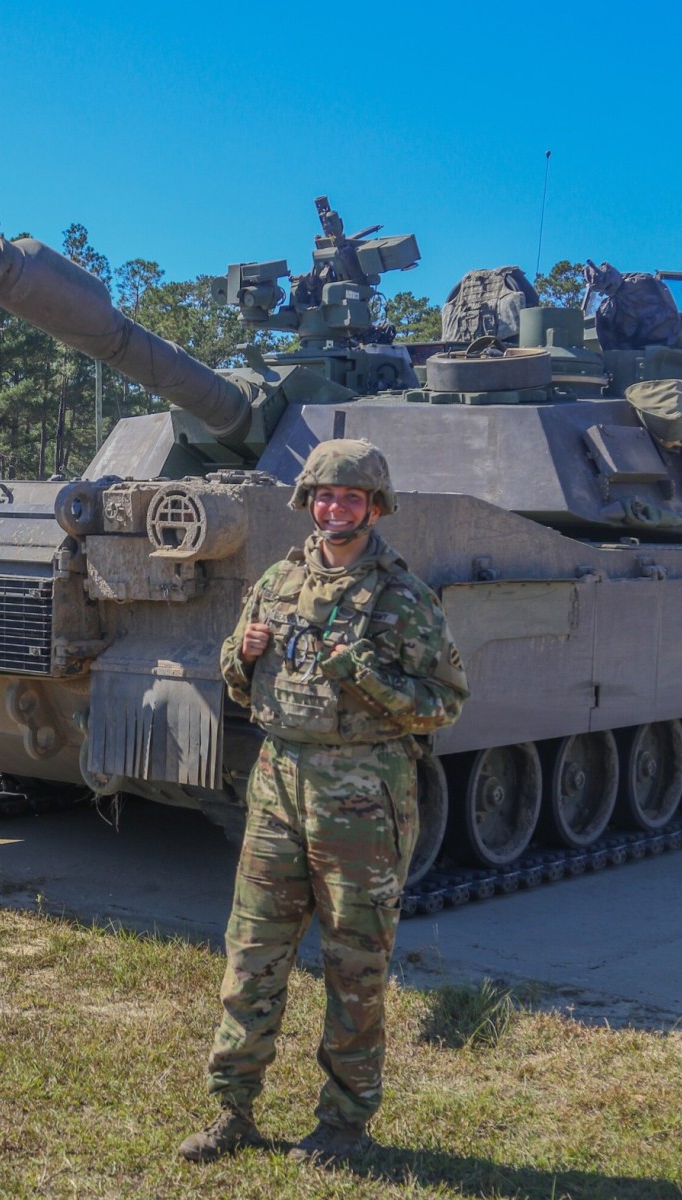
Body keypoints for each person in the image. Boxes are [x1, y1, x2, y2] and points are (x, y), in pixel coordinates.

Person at [179, 438, 469, 1165]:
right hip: (278, 783)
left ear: (374, 506)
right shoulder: (278, 580)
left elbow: (445, 705)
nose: (334, 507)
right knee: (251, 957)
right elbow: (241, 682)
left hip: (362, 796)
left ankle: (344, 1124)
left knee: (355, 967)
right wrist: (239, 655)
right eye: (323, 495)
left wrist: (365, 676)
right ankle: (232, 1110)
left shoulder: (404, 598)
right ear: (307, 501)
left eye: (350, 497)